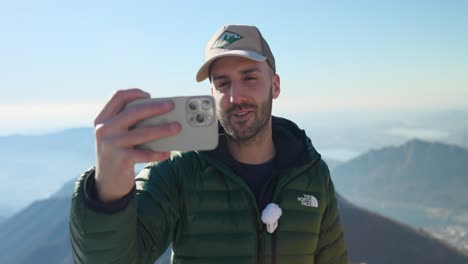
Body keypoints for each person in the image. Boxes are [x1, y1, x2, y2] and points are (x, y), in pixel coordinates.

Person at [70, 24, 349, 264]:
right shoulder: (178, 171)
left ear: (274, 85)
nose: (235, 96)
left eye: (249, 78)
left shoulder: (311, 173)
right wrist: (106, 193)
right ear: (211, 93)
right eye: (223, 83)